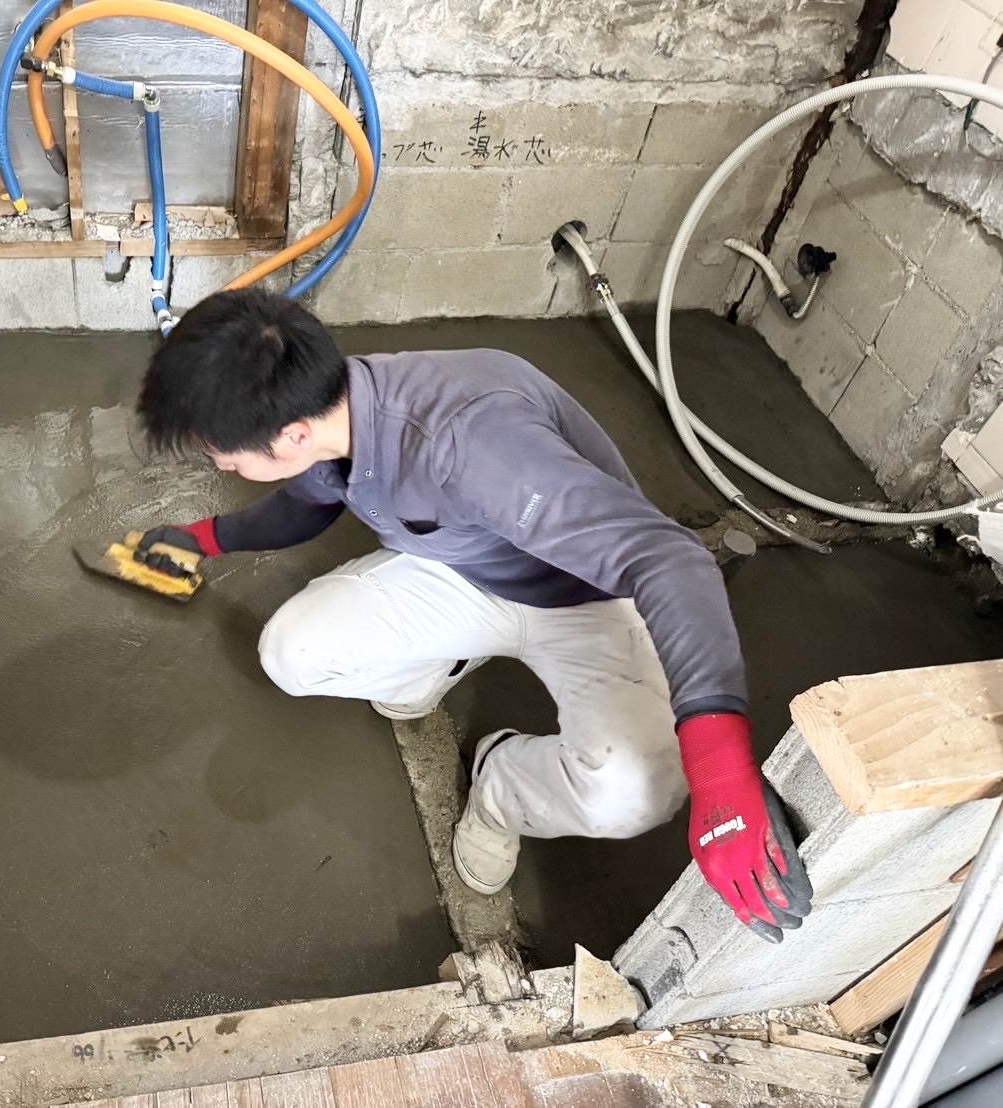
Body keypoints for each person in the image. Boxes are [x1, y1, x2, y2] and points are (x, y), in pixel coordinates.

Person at [134, 288, 812, 942]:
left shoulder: (470, 443)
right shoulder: (335, 405)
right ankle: (438, 666)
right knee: (292, 654)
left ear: (291, 435)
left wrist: (720, 765)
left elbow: (667, 559)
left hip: (586, 597)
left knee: (637, 794)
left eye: (223, 457)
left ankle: (498, 789)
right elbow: (305, 503)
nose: (221, 465)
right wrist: (206, 538)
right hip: (464, 568)